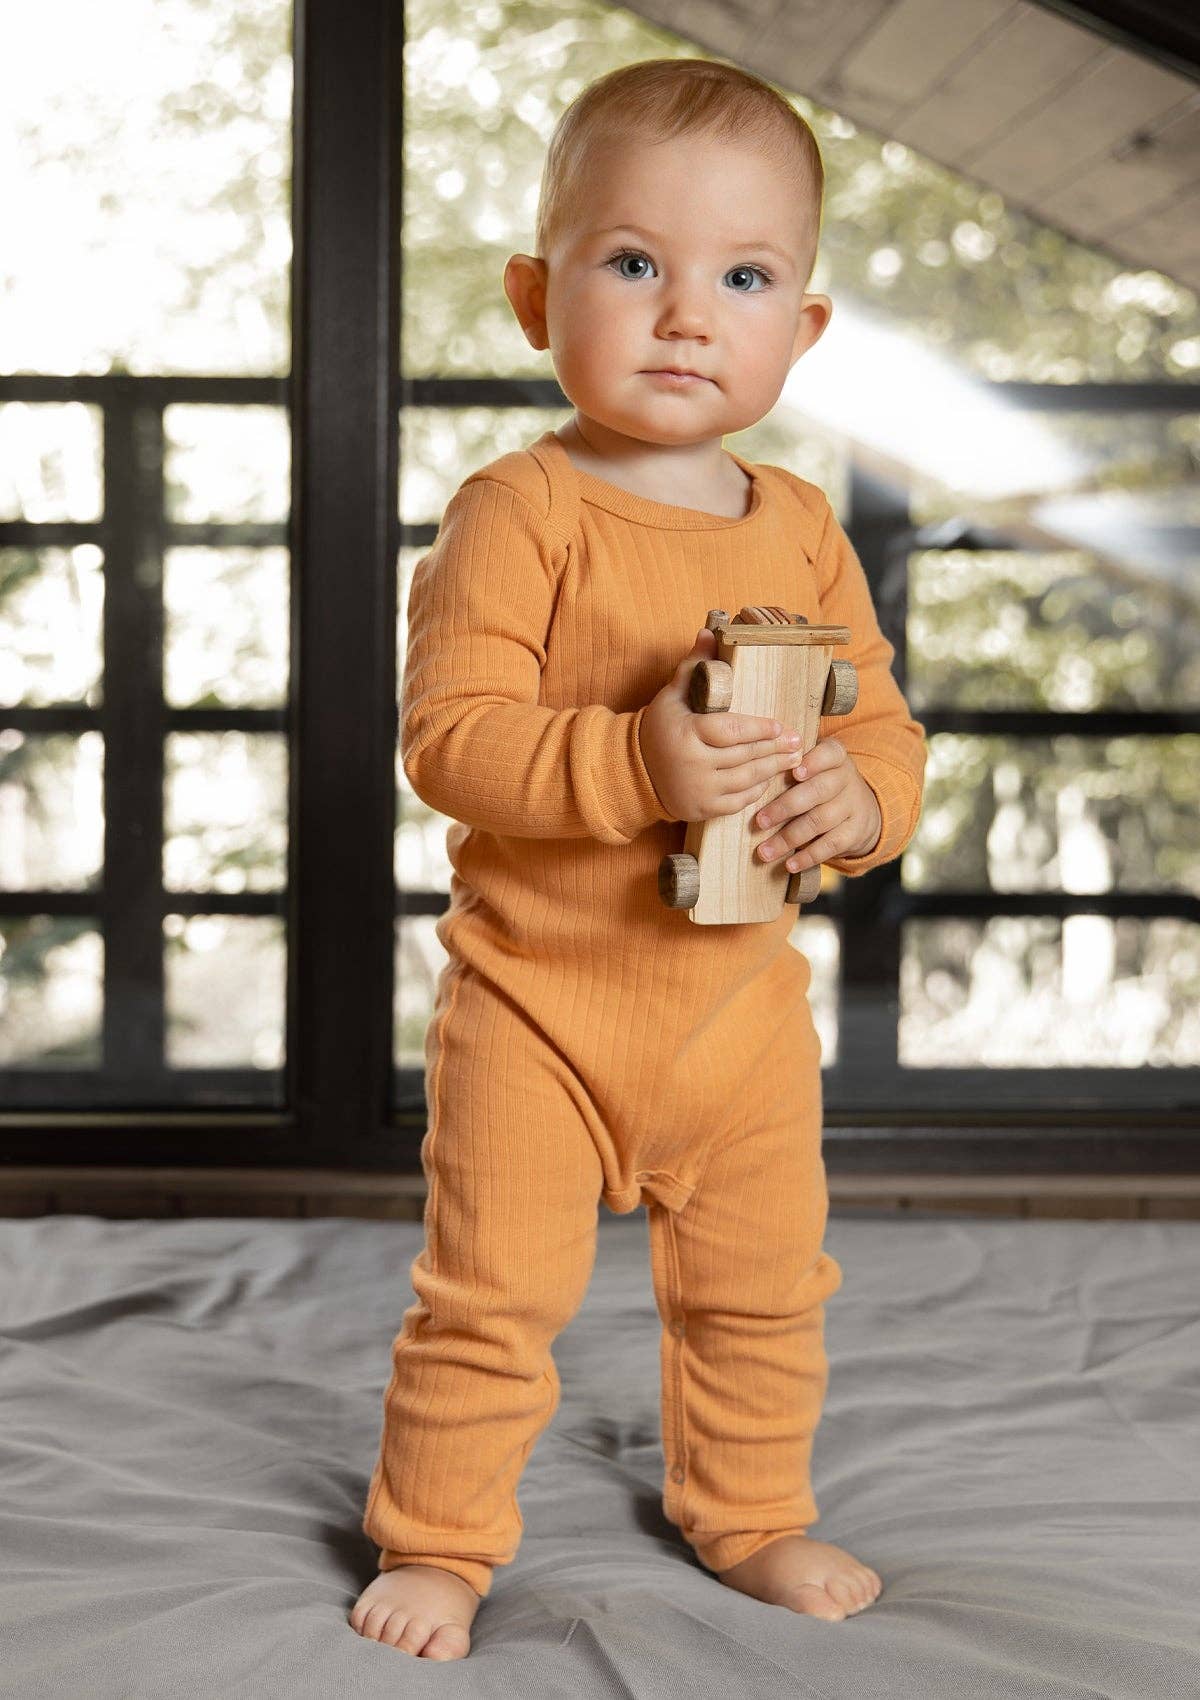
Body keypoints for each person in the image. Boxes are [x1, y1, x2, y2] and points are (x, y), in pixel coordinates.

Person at [349, 55, 926, 1660]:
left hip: (738, 1012)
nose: (688, 314)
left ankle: (746, 1514)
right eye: (633, 264)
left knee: (761, 1291)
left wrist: (865, 809)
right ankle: (442, 1543)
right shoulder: (519, 511)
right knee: (493, 1301)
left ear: (799, 329)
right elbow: (450, 737)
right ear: (539, 298)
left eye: (743, 277)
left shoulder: (799, 525)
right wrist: (637, 759)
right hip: (539, 1007)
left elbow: (881, 726)